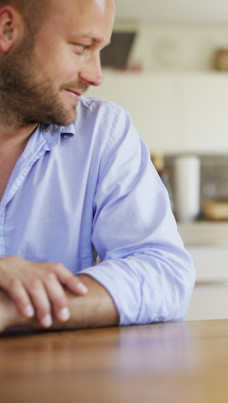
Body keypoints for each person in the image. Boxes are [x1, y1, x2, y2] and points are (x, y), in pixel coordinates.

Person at [0, 0, 195, 333]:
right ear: (7, 30)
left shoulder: (103, 132)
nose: (96, 75)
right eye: (81, 47)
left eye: (99, 50)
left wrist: (14, 307)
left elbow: (163, 273)